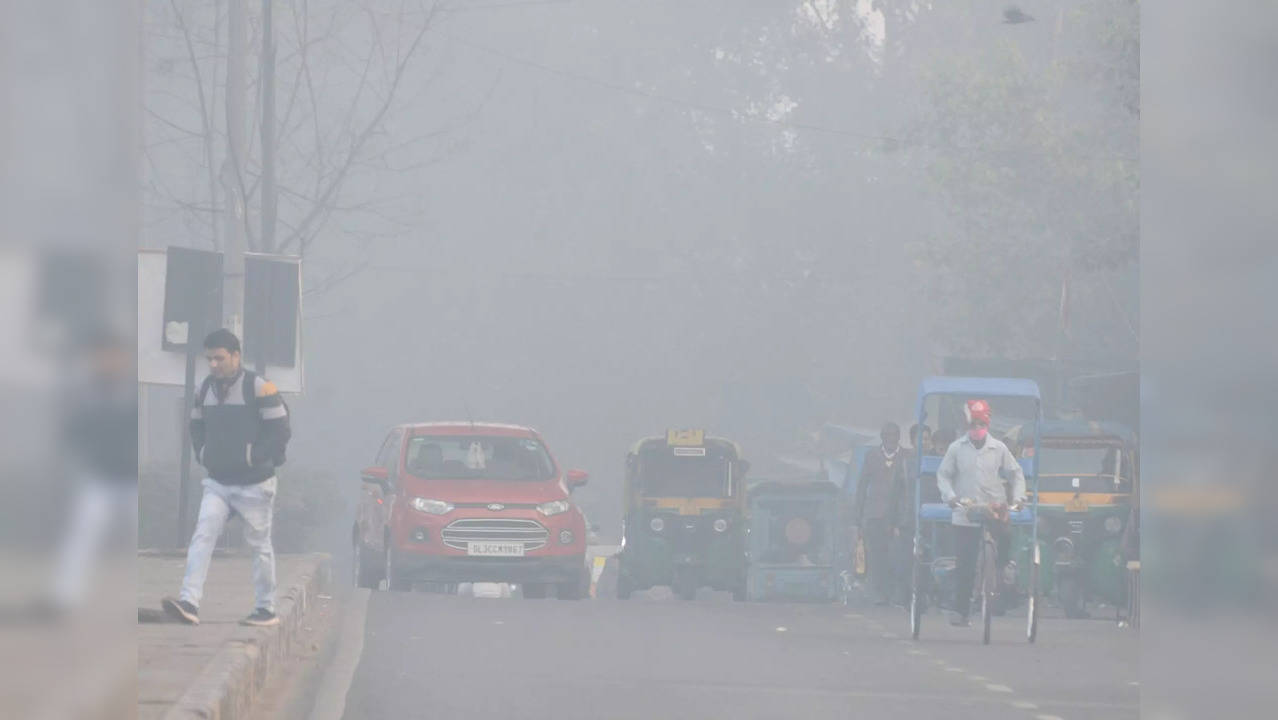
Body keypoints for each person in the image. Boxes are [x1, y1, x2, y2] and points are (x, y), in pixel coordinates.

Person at [163, 329, 291, 627]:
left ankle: (265, 608)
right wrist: (203, 453)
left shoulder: (260, 388)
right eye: (209, 359)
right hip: (218, 482)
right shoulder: (204, 389)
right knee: (203, 533)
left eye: (219, 358)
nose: (214, 365)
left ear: (236, 356)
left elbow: (281, 430)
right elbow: (196, 426)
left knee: (259, 545)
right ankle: (189, 602)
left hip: (255, 483)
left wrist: (253, 457)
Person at [935, 399, 1026, 626]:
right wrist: (950, 497)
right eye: (973, 424)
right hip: (966, 510)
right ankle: (961, 610)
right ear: (967, 425)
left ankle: (1005, 572)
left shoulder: (999, 448)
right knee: (965, 563)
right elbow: (943, 475)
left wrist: (1019, 498)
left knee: (1005, 538)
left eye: (980, 424)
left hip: (994, 508)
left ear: (987, 423)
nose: (976, 428)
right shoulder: (956, 448)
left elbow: (1016, 474)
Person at [854, 422, 907, 606]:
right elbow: (862, 486)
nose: (891, 439)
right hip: (874, 514)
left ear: (899, 437)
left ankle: (896, 592)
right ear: (882, 437)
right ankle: (879, 593)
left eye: (894, 435)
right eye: (887, 435)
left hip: (898, 516)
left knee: (897, 554)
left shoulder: (907, 456)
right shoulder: (872, 456)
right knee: (876, 555)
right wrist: (858, 516)